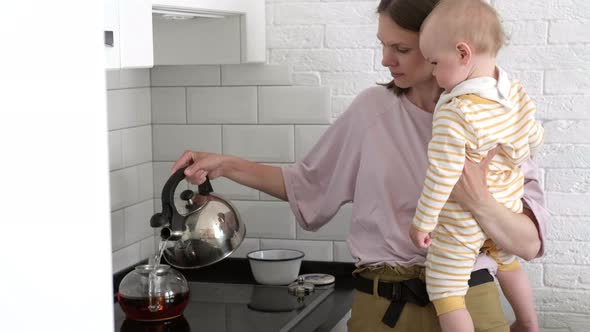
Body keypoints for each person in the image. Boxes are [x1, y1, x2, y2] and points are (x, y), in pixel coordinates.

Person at [170, 0, 549, 331]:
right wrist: (228, 164)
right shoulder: (372, 110)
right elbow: (306, 186)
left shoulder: (500, 116)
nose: (386, 60)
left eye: (401, 47)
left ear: (447, 46)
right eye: (383, 45)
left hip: (473, 305)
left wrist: (480, 200)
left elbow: (529, 244)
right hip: (382, 312)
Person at [408, 1, 543, 332]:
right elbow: (535, 140)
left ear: (463, 54)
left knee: (445, 287)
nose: (435, 74)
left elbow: (442, 174)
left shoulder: (456, 111)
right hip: (506, 205)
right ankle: (527, 322)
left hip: (461, 220)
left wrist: (422, 223)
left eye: (436, 63)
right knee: (507, 261)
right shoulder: (516, 93)